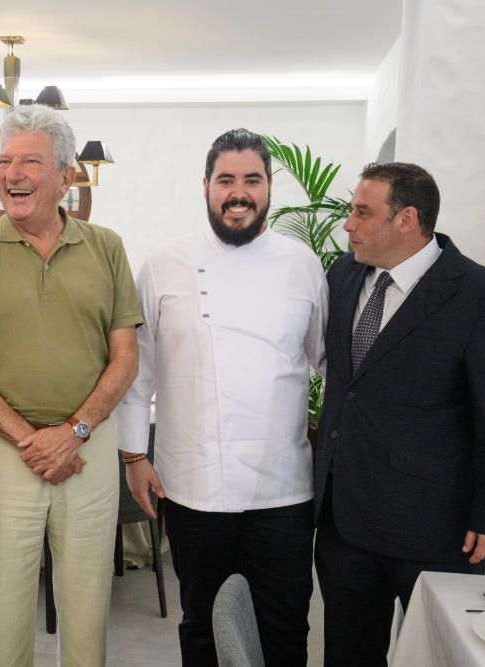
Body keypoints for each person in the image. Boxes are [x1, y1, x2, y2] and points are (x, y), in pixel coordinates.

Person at [0, 104, 142, 667]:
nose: (11, 175)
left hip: (90, 447)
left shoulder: (107, 247)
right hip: (7, 450)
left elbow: (125, 358)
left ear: (67, 176)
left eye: (29, 161)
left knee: (86, 614)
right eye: (4, 162)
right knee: (2, 618)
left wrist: (74, 432)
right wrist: (32, 439)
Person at [117, 128, 327, 666]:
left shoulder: (302, 262)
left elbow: (324, 359)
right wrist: (135, 456)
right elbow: (138, 370)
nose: (239, 193)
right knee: (202, 626)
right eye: (227, 180)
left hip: (282, 489)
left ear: (270, 188)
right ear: (205, 186)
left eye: (252, 180)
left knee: (284, 625)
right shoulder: (164, 261)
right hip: (193, 485)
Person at [314, 162, 485, 666]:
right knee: (347, 654)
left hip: (434, 527)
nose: (347, 224)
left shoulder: (482, 296)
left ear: (407, 219)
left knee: (438, 656)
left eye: (362, 212)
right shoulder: (343, 276)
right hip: (344, 520)